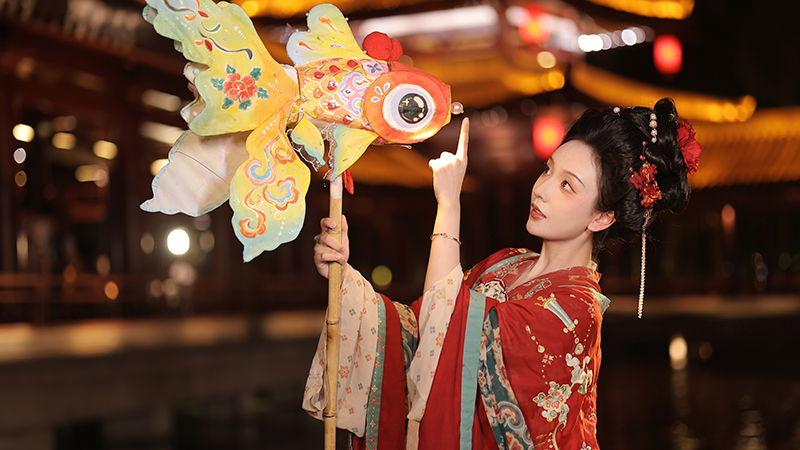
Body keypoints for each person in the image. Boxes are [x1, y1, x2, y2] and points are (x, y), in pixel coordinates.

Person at [303, 98, 701, 450]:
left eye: (567, 186)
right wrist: (344, 278)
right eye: (548, 170)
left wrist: (449, 203)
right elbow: (423, 333)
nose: (541, 189)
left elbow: (450, 325)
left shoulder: (575, 309)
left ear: (602, 216)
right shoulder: (506, 262)